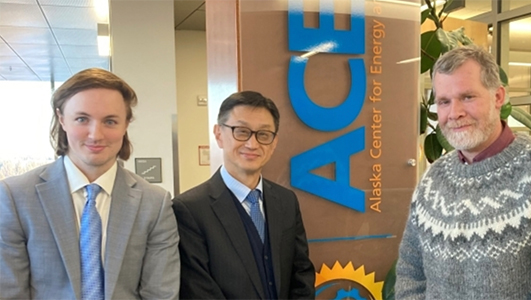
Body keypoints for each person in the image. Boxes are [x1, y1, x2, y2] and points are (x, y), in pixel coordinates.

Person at [395, 45, 531, 299]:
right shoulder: (433, 181)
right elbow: (410, 276)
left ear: (498, 97)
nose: (454, 113)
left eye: (467, 97)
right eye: (444, 102)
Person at [0, 68, 180, 299]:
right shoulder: (15, 197)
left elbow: (160, 294)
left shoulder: (154, 203)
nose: (96, 134)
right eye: (82, 119)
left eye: (110, 121)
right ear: (62, 119)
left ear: (126, 125)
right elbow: (9, 292)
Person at [172, 91, 315, 299]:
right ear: (219, 134)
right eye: (241, 131)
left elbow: (302, 273)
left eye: (263, 134)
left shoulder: (286, 201)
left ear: (274, 143)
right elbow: (199, 291)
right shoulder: (189, 209)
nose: (252, 144)